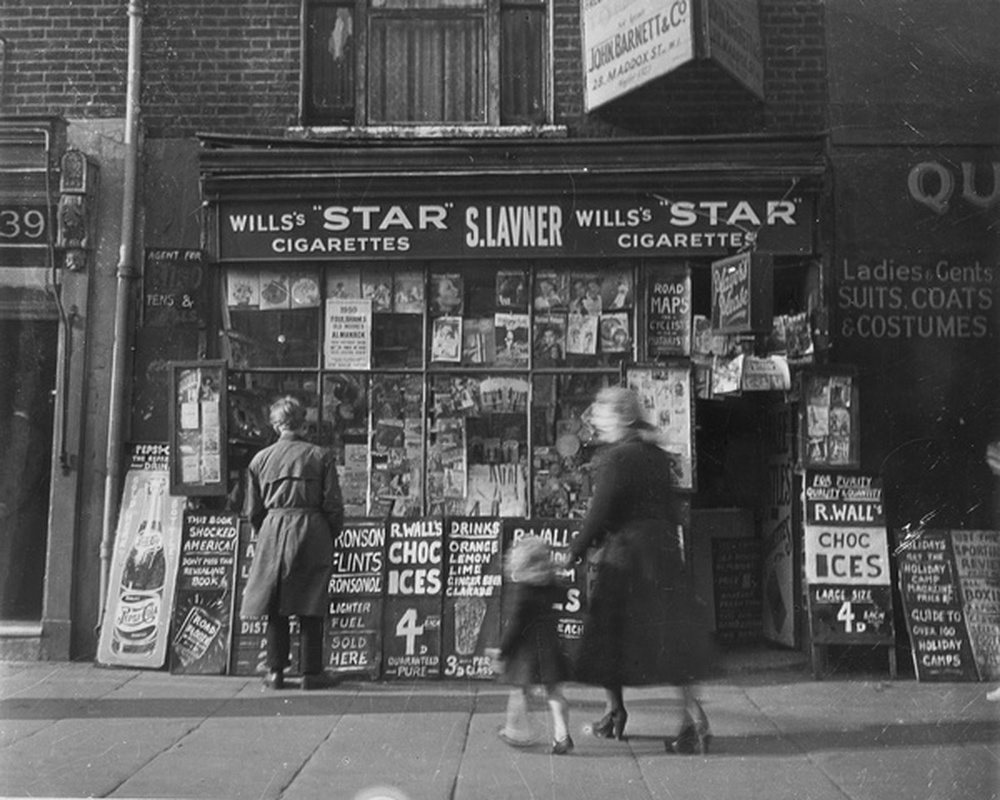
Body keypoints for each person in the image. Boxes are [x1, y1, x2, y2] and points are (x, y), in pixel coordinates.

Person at [569, 386, 715, 753]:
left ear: (621, 417)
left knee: (607, 636)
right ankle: (691, 718)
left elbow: (601, 512)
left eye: (601, 413)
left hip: (627, 560)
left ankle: (616, 712)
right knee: (670, 642)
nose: (596, 421)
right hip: (661, 556)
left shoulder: (617, 457)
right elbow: (669, 509)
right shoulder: (654, 454)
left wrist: (574, 551)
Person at [240, 396, 344, 690]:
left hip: (274, 529)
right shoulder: (320, 456)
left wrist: (266, 531)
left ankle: (275, 672)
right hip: (313, 529)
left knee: (276, 601)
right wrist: (331, 532)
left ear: (275, 425)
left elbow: (253, 511)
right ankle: (311, 673)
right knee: (311, 600)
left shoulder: (259, 460)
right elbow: (333, 503)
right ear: (302, 423)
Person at [488, 535, 573, 755]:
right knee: (555, 692)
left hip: (526, 652)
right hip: (551, 647)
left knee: (519, 690)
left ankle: (515, 730)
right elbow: (564, 594)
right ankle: (561, 735)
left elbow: (515, 624)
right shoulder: (551, 584)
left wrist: (502, 650)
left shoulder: (522, 589)